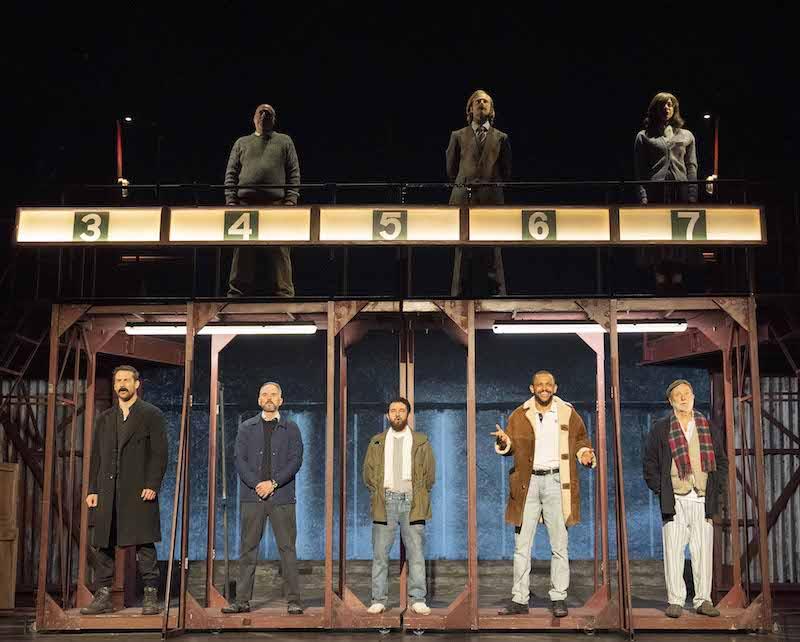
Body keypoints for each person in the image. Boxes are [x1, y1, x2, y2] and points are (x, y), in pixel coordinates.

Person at [492, 371, 595, 618]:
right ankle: (519, 599)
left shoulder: (568, 413)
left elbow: (581, 440)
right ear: (532, 388)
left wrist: (584, 453)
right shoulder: (519, 414)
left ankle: (558, 597)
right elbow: (510, 446)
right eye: (540, 385)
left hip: (557, 482)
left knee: (559, 544)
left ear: (555, 387)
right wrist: (505, 442)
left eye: (548, 384)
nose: (544, 388)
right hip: (527, 484)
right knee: (521, 545)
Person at [80, 365, 168, 616]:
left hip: (139, 489)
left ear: (136, 384)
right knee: (103, 542)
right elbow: (96, 456)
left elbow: (160, 454)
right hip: (108, 489)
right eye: (118, 380)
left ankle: (150, 595)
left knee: (144, 542)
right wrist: (93, 489)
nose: (122, 384)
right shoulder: (105, 418)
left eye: (126, 380)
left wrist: (152, 485)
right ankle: (103, 596)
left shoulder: (151, 414)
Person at [643, 379, 728, 618]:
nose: (683, 398)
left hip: (702, 498)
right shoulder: (661, 428)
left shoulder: (707, 426)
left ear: (693, 397)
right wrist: (661, 490)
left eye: (687, 393)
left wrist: (716, 489)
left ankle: (703, 600)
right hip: (675, 499)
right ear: (670, 401)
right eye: (678, 395)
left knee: (703, 552)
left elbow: (721, 461)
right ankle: (676, 600)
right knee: (673, 551)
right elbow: (650, 463)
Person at [223, 382, 305, 614]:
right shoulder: (246, 427)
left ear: (281, 400)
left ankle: (294, 601)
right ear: (259, 400)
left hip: (282, 497)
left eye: (274, 394)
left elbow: (296, 460)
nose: (269, 398)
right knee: (248, 549)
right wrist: (258, 484)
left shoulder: (292, 428)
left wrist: (273, 483)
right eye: (265, 394)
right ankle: (242, 600)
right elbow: (239, 460)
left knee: (287, 549)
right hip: (253, 497)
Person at [362, 397, 436, 615]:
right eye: (393, 410)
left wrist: (418, 493)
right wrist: (378, 492)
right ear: (387, 415)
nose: (397, 414)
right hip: (385, 500)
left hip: (412, 500)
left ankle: (418, 599)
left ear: (408, 414)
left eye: (401, 410)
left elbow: (430, 475)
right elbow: (367, 473)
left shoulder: (421, 441)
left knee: (416, 553)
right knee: (380, 554)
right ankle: (379, 599)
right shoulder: (377, 441)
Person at [225, 103, 300, 297]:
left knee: (280, 249)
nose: (264, 115)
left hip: (276, 205)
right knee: (243, 251)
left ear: (274, 120)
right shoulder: (242, 142)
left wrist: (291, 201)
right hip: (245, 204)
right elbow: (231, 173)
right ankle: (237, 293)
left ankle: (285, 293)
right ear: (254, 118)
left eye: (269, 113)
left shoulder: (284, 141)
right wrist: (231, 201)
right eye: (261, 112)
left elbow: (293, 172)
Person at [446, 89, 512, 297]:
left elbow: (506, 170)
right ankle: (458, 293)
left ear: (491, 109)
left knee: (493, 247)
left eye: (485, 101)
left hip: (490, 198)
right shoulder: (458, 136)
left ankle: (498, 292)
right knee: (462, 248)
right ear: (470, 109)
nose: (481, 104)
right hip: (463, 198)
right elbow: (451, 169)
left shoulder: (501, 138)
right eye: (477, 101)